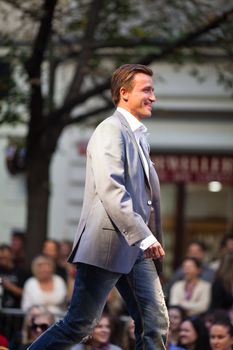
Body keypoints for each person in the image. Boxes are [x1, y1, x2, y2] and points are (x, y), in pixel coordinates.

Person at [27, 63, 169, 350]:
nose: (153, 96)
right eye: (147, 90)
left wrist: (143, 239)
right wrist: (146, 236)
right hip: (107, 244)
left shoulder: (139, 137)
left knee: (155, 322)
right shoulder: (109, 129)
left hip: (135, 247)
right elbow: (111, 190)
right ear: (124, 93)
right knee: (80, 324)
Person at [0, 244, 28, 308]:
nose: (2, 261)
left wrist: (10, 286)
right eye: (0, 258)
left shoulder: (21, 272)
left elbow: (26, 293)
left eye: (5, 258)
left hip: (16, 311)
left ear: (12, 256)